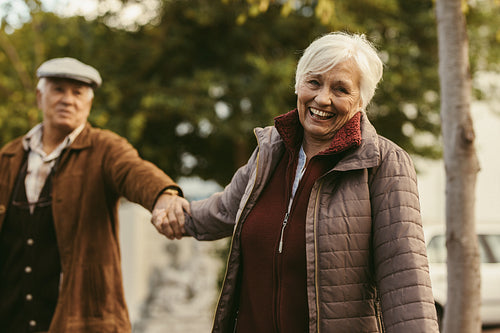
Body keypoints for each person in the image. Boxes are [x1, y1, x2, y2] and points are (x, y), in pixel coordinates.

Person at [153, 32, 439, 332]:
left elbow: (405, 281)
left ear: (360, 100)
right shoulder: (271, 149)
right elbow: (224, 210)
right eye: (314, 82)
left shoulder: (383, 163)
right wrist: (169, 208)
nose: (323, 98)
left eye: (341, 89)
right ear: (298, 84)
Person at [0, 57, 188, 333]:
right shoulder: (9, 156)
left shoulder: (104, 148)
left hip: (81, 322)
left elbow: (134, 172)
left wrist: (165, 195)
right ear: (40, 97)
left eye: (77, 93)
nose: (68, 99)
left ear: (88, 104)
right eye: (58, 89)